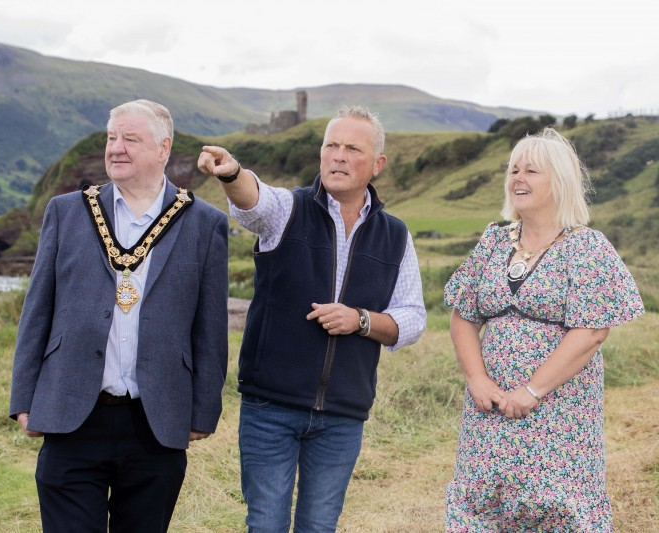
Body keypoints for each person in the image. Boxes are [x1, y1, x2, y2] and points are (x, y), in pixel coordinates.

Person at [197, 105, 427, 532]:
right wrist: (231, 174)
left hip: (343, 413)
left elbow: (412, 318)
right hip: (270, 406)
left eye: (352, 148)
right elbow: (254, 202)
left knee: (319, 526)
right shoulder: (289, 209)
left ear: (377, 164)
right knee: (265, 524)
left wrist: (359, 320)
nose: (338, 156)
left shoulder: (395, 234)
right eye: (331, 146)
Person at [9, 99, 229, 533]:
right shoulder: (67, 211)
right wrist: (24, 400)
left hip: (156, 421)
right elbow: (37, 310)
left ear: (164, 149)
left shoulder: (204, 224)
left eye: (131, 139)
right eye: (112, 138)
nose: (116, 148)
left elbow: (210, 328)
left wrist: (204, 411)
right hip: (72, 414)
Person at [443, 127, 645, 531]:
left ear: (561, 182)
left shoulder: (586, 247)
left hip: (558, 411)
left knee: (556, 507)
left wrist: (533, 390)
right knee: (482, 505)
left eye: (531, 170)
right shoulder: (493, 243)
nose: (518, 178)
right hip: (490, 408)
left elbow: (591, 331)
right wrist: (477, 378)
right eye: (514, 169)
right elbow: (463, 313)